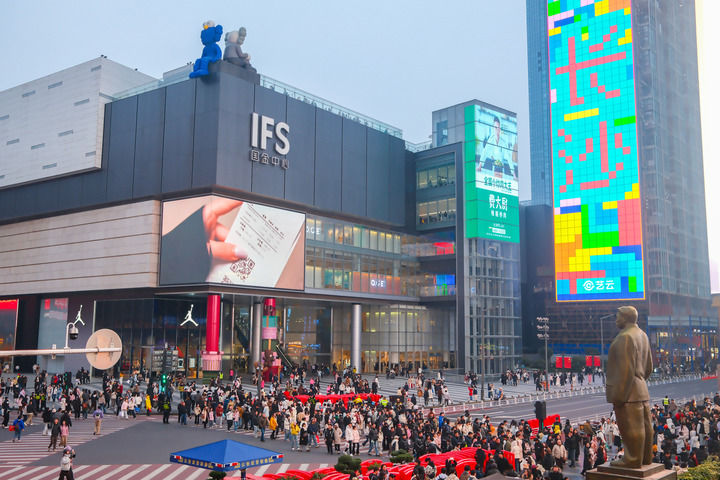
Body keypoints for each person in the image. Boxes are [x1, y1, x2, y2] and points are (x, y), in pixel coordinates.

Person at [605, 306, 653, 468]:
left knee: (632, 428)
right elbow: (649, 367)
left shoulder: (625, 337)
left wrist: (619, 396)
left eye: (618, 316)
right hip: (641, 389)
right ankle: (645, 458)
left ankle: (632, 459)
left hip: (628, 393)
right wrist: (640, 382)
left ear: (626, 318)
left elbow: (625, 371)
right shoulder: (643, 335)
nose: (616, 320)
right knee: (645, 427)